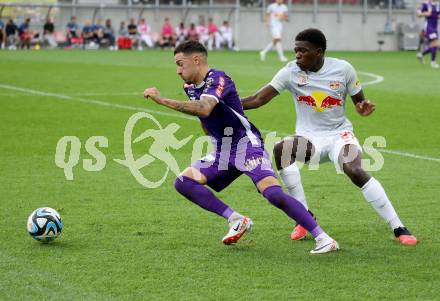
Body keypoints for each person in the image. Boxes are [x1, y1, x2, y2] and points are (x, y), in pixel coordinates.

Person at [143, 40, 339, 254]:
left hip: (247, 145)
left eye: (181, 64)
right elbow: (203, 117)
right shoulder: (189, 87)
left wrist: (161, 100)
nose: (178, 71)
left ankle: (324, 238)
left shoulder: (219, 78)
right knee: (183, 182)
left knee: (272, 193)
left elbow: (204, 108)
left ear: (196, 60)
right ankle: (236, 220)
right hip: (223, 150)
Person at [241, 28, 418, 246]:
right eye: (295, 50)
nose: (297, 55)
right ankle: (304, 217)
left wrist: (363, 108)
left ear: (318, 52)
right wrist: (224, 103)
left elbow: (360, 102)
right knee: (281, 149)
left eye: (302, 51)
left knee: (354, 169)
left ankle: (398, 227)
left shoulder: (343, 69)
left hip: (339, 135)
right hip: (309, 139)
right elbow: (258, 99)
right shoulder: (290, 72)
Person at [416, 0, 439, 68]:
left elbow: (437, 15)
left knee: (435, 45)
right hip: (429, 27)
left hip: (435, 27)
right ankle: (433, 62)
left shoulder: (437, 5)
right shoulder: (426, 4)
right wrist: (424, 13)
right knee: (435, 43)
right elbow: (418, 13)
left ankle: (421, 54)